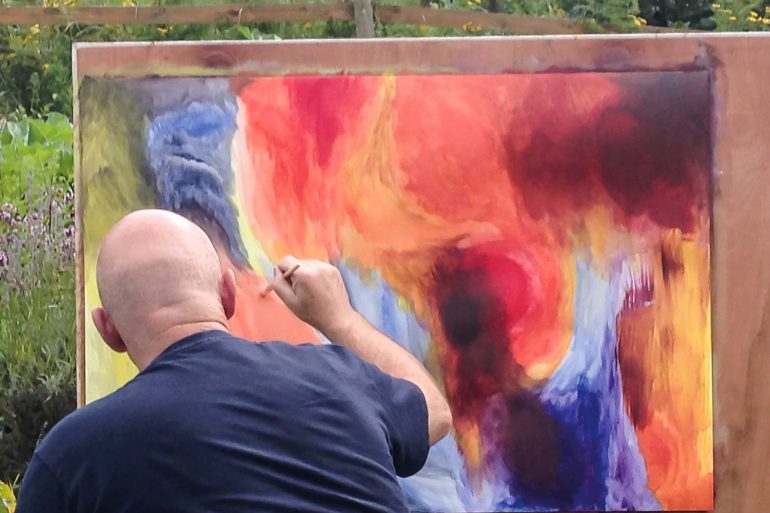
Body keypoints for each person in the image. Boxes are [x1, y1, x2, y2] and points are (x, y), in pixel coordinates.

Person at [15, 209, 452, 513]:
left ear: (107, 330)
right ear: (228, 294)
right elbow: (432, 412)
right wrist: (338, 317)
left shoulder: (73, 459)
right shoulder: (344, 380)